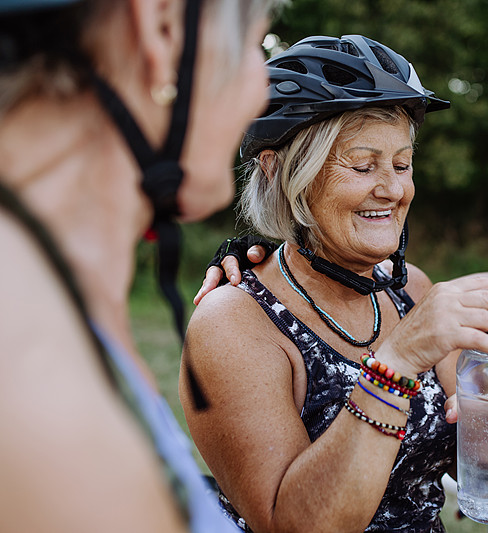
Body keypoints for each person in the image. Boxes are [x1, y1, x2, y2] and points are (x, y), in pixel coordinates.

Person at [179, 35, 488, 533]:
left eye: (402, 164)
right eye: (362, 165)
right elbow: (294, 524)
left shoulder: (408, 289)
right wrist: (395, 365)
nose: (394, 189)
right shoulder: (233, 322)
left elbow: (453, 462)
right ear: (281, 172)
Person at [0, 0, 281, 531]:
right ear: (162, 30)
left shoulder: (48, 295)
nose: (260, 91)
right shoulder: (29, 369)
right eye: (253, 47)